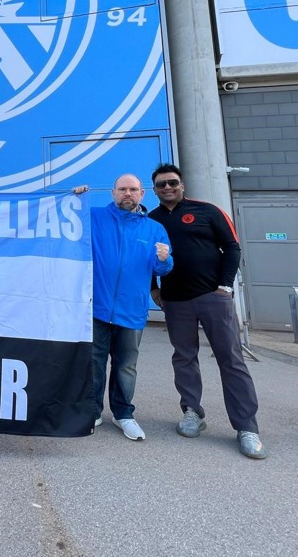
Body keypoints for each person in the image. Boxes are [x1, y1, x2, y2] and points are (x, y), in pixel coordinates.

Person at [148, 163, 267, 459]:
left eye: (172, 182)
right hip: (175, 302)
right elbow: (143, 256)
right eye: (161, 185)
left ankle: (246, 427)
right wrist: (154, 289)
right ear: (154, 189)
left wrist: (225, 287)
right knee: (184, 358)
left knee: (231, 360)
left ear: (182, 184)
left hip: (212, 297)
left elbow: (232, 247)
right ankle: (192, 412)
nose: (167, 188)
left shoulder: (208, 211)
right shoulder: (151, 220)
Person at [77, 175, 172, 441]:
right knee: (94, 363)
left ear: (142, 194)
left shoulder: (154, 229)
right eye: (122, 189)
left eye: (132, 190)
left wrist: (165, 260)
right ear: (113, 192)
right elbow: (65, 217)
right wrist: (75, 196)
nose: (127, 194)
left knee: (126, 366)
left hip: (131, 310)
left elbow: (162, 268)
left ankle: (123, 414)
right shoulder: (93, 217)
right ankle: (93, 411)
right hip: (97, 308)